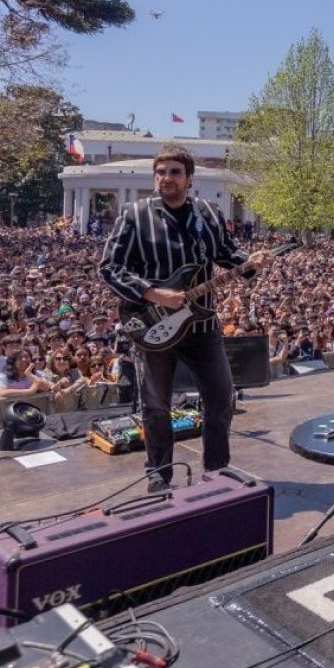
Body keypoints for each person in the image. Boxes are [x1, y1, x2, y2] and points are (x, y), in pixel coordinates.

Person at [100, 145, 271, 492]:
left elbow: (225, 254)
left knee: (221, 397)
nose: (167, 178)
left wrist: (249, 263)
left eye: (175, 172)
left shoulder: (208, 212)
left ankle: (217, 472)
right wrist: (151, 292)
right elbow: (109, 267)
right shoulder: (135, 215)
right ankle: (159, 476)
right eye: (161, 172)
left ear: (189, 178)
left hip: (202, 326)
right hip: (153, 327)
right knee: (156, 405)